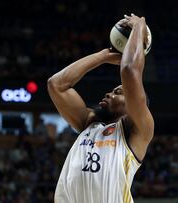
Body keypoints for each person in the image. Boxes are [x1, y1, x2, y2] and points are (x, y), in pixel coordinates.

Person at [47, 14, 154, 203]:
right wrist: (103, 56)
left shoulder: (138, 130)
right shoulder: (89, 122)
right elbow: (56, 85)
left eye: (118, 92)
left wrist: (139, 26)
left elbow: (129, 70)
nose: (109, 94)